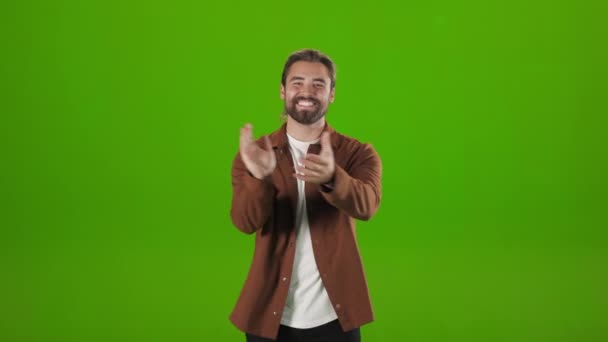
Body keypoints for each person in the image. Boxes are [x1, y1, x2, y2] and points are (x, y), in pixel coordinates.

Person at [229, 49, 382, 342]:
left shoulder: (358, 154)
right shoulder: (255, 155)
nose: (307, 91)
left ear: (332, 94)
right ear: (283, 91)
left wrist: (332, 178)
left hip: (336, 317)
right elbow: (244, 222)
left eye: (318, 84)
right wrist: (259, 178)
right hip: (268, 315)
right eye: (297, 83)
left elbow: (368, 205)